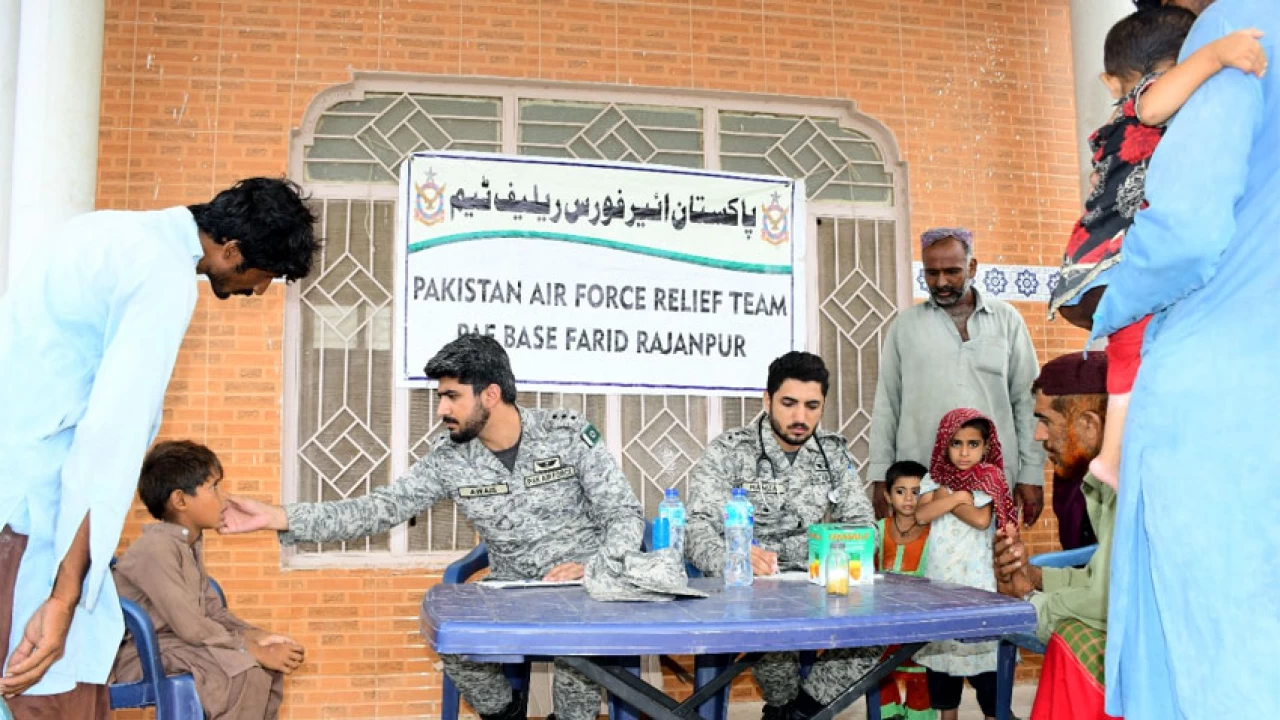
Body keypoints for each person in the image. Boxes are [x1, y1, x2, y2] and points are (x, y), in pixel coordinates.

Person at [0, 178, 318, 715]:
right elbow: (108, 443)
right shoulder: (163, 279)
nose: (260, 291)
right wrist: (62, 598)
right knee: (49, 694)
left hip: (14, 502)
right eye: (264, 276)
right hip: (37, 524)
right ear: (232, 250)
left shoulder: (100, 230)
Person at [220, 334, 644, 720]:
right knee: (451, 636)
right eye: (441, 397)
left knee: (580, 663)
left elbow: (624, 514)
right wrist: (281, 517)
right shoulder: (450, 458)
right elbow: (379, 509)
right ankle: (505, 714)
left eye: (452, 397)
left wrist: (595, 568)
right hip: (512, 591)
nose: (441, 409)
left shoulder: (566, 435)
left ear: (491, 395)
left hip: (581, 592)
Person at [1086, 1, 1279, 716]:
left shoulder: (1240, 28)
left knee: (1215, 650)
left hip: (1224, 393)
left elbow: (1188, 233)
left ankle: (1111, 449)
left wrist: (1112, 299)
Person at [1048, 5, 1267, 488]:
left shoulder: (1133, 112)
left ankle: (1112, 456)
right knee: (1131, 349)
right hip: (1113, 260)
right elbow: (1153, 104)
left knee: (1129, 353)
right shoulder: (1142, 100)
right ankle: (1112, 455)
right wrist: (1213, 56)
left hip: (1106, 263)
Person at [684, 351, 877, 720]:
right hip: (754, 588)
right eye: (788, 403)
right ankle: (784, 708)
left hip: (818, 582)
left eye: (812, 406)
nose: (800, 417)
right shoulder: (731, 451)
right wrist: (733, 557)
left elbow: (862, 524)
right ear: (767, 399)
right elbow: (697, 528)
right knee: (776, 646)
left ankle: (799, 712)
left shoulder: (833, 454)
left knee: (874, 635)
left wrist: (836, 553)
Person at [869, 228, 1046, 529]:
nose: (941, 283)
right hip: (922, 489)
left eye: (952, 272)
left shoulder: (1007, 320)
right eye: (931, 273)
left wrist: (1031, 475)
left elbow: (1027, 403)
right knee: (920, 573)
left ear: (972, 267)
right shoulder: (905, 327)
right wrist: (880, 475)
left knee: (991, 571)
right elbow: (887, 405)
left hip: (991, 486)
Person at [113, 441, 303, 719]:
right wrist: (247, 649)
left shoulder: (187, 545)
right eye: (214, 488)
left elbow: (213, 612)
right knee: (243, 671)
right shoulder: (156, 548)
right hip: (145, 654)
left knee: (265, 671)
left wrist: (259, 637)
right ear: (180, 500)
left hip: (181, 645)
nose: (224, 498)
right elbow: (190, 625)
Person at [993, 351, 1116, 720]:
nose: (1038, 435)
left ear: (1090, 425)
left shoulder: (1132, 489)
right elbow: (1103, 578)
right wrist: (1036, 576)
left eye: (1046, 420)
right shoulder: (1107, 481)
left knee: (1072, 639)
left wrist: (1030, 602)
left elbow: (1109, 601)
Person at [913, 409, 1016, 720]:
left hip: (978, 584)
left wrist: (947, 498)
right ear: (945, 444)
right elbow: (920, 515)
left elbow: (982, 519)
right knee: (944, 670)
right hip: (942, 583)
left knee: (986, 668)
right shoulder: (934, 478)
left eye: (973, 444)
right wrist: (959, 495)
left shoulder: (990, 476)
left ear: (986, 447)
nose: (964, 452)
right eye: (956, 443)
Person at [874, 460, 934, 720]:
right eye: (900, 491)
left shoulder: (934, 533)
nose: (908, 498)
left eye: (916, 491)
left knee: (921, 685)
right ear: (888, 495)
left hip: (921, 626)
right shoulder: (877, 530)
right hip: (883, 625)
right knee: (881, 680)